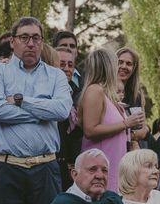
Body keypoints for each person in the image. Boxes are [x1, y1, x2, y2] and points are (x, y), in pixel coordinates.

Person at [0, 16, 72, 204]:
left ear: (42, 42)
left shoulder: (56, 75)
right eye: (24, 37)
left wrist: (22, 101)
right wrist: (43, 112)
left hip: (45, 169)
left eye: (36, 38)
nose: (30, 43)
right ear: (13, 42)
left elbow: (62, 111)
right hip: (5, 168)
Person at [79, 48, 143, 192]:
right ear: (108, 66)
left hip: (113, 167)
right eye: (117, 63)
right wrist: (126, 123)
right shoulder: (95, 90)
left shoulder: (108, 94)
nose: (119, 68)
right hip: (98, 170)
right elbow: (90, 130)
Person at [56, 46, 83, 190]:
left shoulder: (77, 94)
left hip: (69, 164)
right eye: (61, 64)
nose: (66, 68)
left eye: (70, 65)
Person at [116, 47, 149, 149]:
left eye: (129, 64)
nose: (123, 66)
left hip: (131, 150)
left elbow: (143, 130)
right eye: (120, 62)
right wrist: (133, 134)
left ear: (134, 68)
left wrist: (132, 135)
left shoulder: (136, 95)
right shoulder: (103, 91)